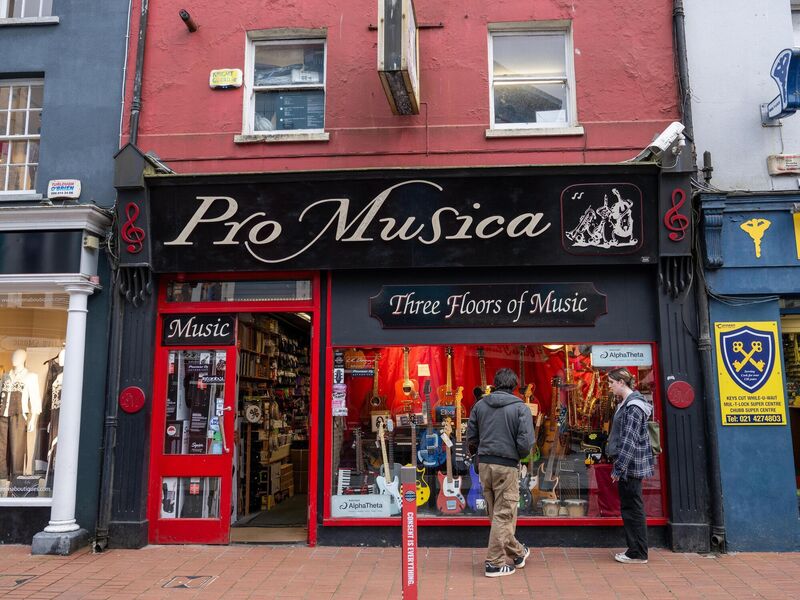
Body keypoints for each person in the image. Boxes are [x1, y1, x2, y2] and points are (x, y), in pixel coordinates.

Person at [467, 367, 535, 577]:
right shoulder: (520, 408)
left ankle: (517, 553)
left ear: (495, 383)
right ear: (514, 385)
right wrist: (518, 456)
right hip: (507, 464)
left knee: (496, 513)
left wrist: (478, 455)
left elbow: (471, 437)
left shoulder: (480, 405)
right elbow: (526, 443)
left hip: (485, 464)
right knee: (504, 514)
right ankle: (494, 564)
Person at [605, 368, 654, 564]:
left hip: (630, 466)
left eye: (611, 382)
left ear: (621, 383)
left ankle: (638, 552)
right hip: (629, 465)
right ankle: (635, 549)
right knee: (630, 506)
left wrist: (618, 468)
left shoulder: (633, 407)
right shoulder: (626, 404)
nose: (609, 386)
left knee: (632, 507)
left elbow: (629, 441)